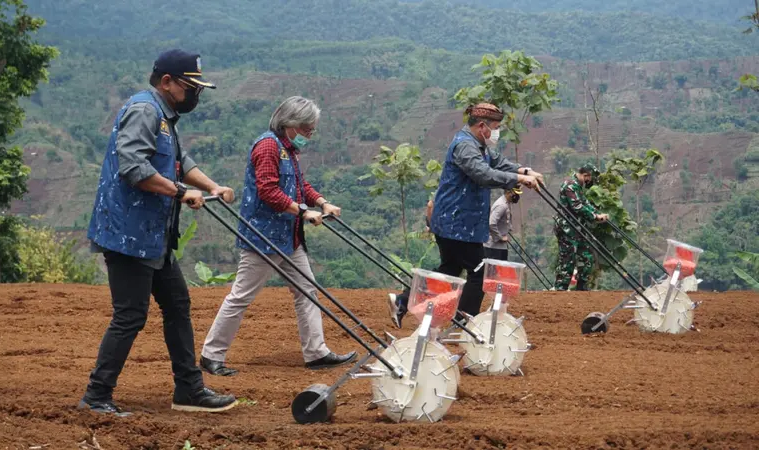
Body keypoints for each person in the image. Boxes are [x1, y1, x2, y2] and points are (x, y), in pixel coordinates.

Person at [80, 50, 237, 416]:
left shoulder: (165, 116)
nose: (194, 94)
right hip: (128, 235)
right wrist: (182, 193)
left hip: (153, 236)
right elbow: (133, 166)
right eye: (189, 86)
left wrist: (212, 187)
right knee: (130, 315)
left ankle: (189, 390)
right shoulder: (145, 111)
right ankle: (96, 396)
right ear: (166, 82)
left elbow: (181, 164)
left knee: (178, 305)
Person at [200, 96, 357, 376]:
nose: (310, 135)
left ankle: (316, 352)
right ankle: (211, 355)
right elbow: (268, 191)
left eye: (312, 130)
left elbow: (300, 185)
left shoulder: (288, 149)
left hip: (288, 237)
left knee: (307, 291)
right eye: (307, 129)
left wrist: (322, 203)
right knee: (241, 296)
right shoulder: (268, 146)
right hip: (262, 238)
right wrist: (303, 212)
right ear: (290, 125)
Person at [386, 103, 544, 328]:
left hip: (458, 223)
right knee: (479, 274)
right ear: (482, 126)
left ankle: (402, 301)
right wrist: (518, 180)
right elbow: (483, 174)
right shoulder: (465, 147)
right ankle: (465, 322)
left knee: (449, 269)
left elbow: (498, 162)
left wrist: (524, 171)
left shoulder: (479, 145)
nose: (497, 133)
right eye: (496, 127)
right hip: (457, 224)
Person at [553, 163, 609, 291]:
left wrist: (597, 213)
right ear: (586, 175)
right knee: (568, 260)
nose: (591, 181)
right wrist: (594, 217)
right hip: (567, 229)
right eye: (590, 178)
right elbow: (577, 207)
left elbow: (585, 203)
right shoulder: (570, 186)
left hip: (578, 229)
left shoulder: (578, 186)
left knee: (587, 258)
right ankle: (560, 290)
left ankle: (582, 290)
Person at [484, 186, 522, 261]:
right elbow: (491, 223)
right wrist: (500, 237)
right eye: (515, 194)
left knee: (502, 270)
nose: (517, 196)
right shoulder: (501, 205)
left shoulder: (507, 203)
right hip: (493, 247)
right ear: (508, 192)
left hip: (500, 246)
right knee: (494, 271)